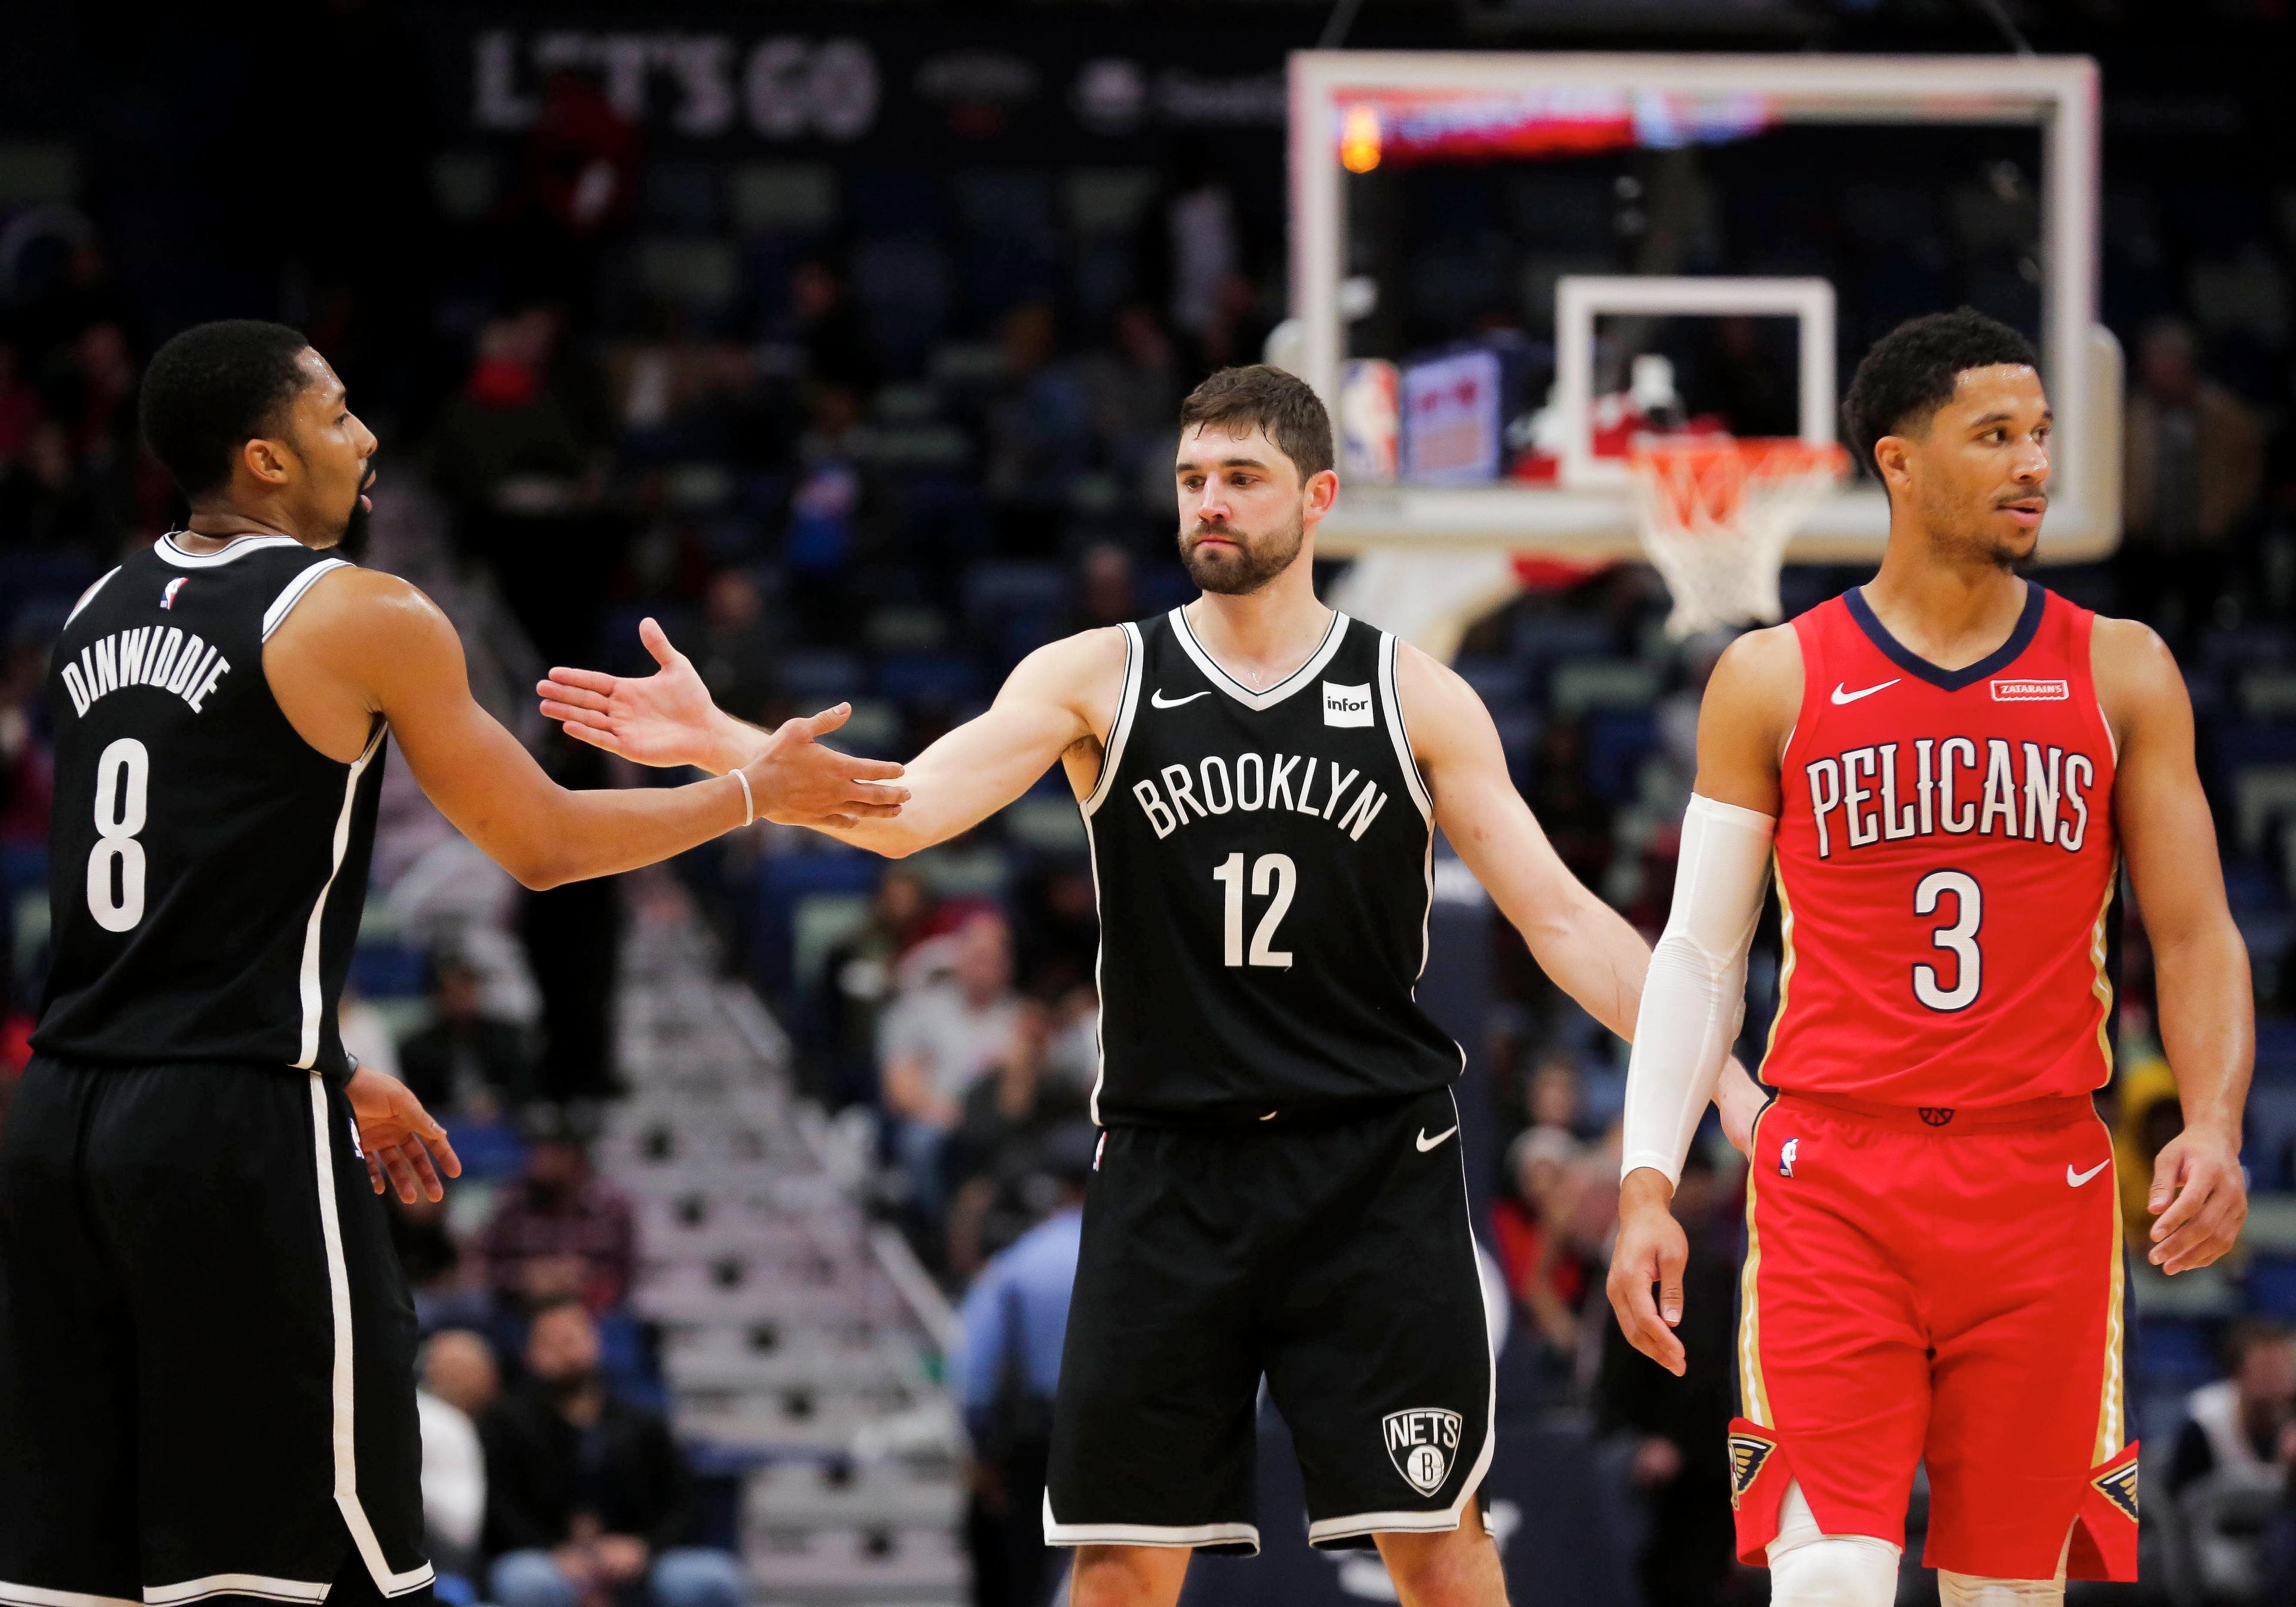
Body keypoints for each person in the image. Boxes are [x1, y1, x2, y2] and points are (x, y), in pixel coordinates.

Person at [536, 363, 1760, 1607]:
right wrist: (726, 746)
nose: (1209, 505)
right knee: (1121, 1566)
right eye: (1191, 481)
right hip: (1173, 1171)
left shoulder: (1412, 696)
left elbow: (1559, 918)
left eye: (1241, 479)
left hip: (1373, 1171)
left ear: (1318, 497)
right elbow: (904, 811)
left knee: (1441, 1552)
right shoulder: (1096, 677)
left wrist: (1709, 1069)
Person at [0, 319, 902, 1607]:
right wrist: (752, 792)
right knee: (333, 1570)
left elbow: (149, 915)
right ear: (264, 460)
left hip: (61, 1125)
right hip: (227, 1130)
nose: (368, 440)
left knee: (80, 1585)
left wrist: (339, 1060)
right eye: (335, 417)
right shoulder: (366, 613)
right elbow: (539, 841)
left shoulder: (94, 610)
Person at [1608, 308, 2253, 1605]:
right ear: (1899, 462)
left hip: (2044, 1183)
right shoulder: (1774, 677)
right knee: (1830, 1583)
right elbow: (1697, 956)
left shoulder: (2123, 671)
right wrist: (1643, 1182)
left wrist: (2218, 1122)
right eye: (1995, 436)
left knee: (2005, 1596)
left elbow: (2192, 934)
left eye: (2042, 435)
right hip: (1836, 1179)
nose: (2035, 466)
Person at [479, 1297, 743, 1607]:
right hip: (546, 1557)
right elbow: (498, 1507)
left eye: (575, 1338)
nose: (568, 1351)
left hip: (637, 1556)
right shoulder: (505, 1423)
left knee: (712, 1578)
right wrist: (554, 1551)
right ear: (532, 1355)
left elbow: (685, 1505)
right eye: (553, 1343)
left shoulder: (644, 1423)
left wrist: (644, 1548)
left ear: (598, 1343)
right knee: (528, 1581)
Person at [954, 1123, 1097, 1607]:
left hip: (1036, 1441)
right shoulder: (1138, 1259)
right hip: (1116, 1436)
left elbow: (976, 1373)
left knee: (1026, 1577)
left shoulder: (1020, 1261)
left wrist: (983, 1454)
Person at [2166, 1319, 2296, 1602]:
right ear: (2236, 1374)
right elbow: (2177, 1504)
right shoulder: (2204, 1423)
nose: (2278, 1379)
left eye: (2284, 1367)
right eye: (2266, 1369)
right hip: (2215, 1541)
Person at [483, 1120, 637, 1313]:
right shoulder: (512, 1206)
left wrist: (582, 1277)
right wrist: (525, 1277)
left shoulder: (611, 1209)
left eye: (548, 1152)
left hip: (593, 1315)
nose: (536, 1160)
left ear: (573, 1156)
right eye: (535, 1151)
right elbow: (486, 1270)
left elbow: (625, 1277)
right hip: (522, 1315)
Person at [399, 952, 535, 1119]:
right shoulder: (416, 1050)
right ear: (439, 997)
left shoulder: (506, 1037)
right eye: (452, 992)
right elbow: (418, 1105)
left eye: (466, 989)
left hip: (502, 1125)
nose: (461, 999)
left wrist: (498, 1101)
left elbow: (524, 1090)